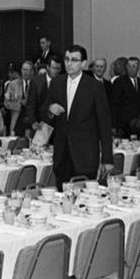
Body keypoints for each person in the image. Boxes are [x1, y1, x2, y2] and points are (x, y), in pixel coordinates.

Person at [45, 44, 114, 190]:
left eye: (74, 60)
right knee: (62, 198)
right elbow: (45, 114)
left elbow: (104, 124)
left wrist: (107, 159)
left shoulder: (94, 87)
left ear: (83, 63)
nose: (69, 63)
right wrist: (50, 110)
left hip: (85, 155)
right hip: (62, 155)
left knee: (85, 198)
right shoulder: (56, 83)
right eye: (67, 59)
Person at [27, 54, 62, 135]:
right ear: (47, 67)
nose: (56, 71)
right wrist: (33, 121)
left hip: (57, 126)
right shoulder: (36, 81)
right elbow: (31, 104)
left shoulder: (62, 82)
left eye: (58, 69)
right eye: (54, 68)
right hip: (39, 124)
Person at [4, 60, 33, 136]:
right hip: (16, 119)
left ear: (32, 72)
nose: (25, 72)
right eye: (23, 69)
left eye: (27, 70)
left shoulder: (36, 84)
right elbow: (6, 103)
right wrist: (19, 104)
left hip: (32, 120)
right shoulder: (13, 84)